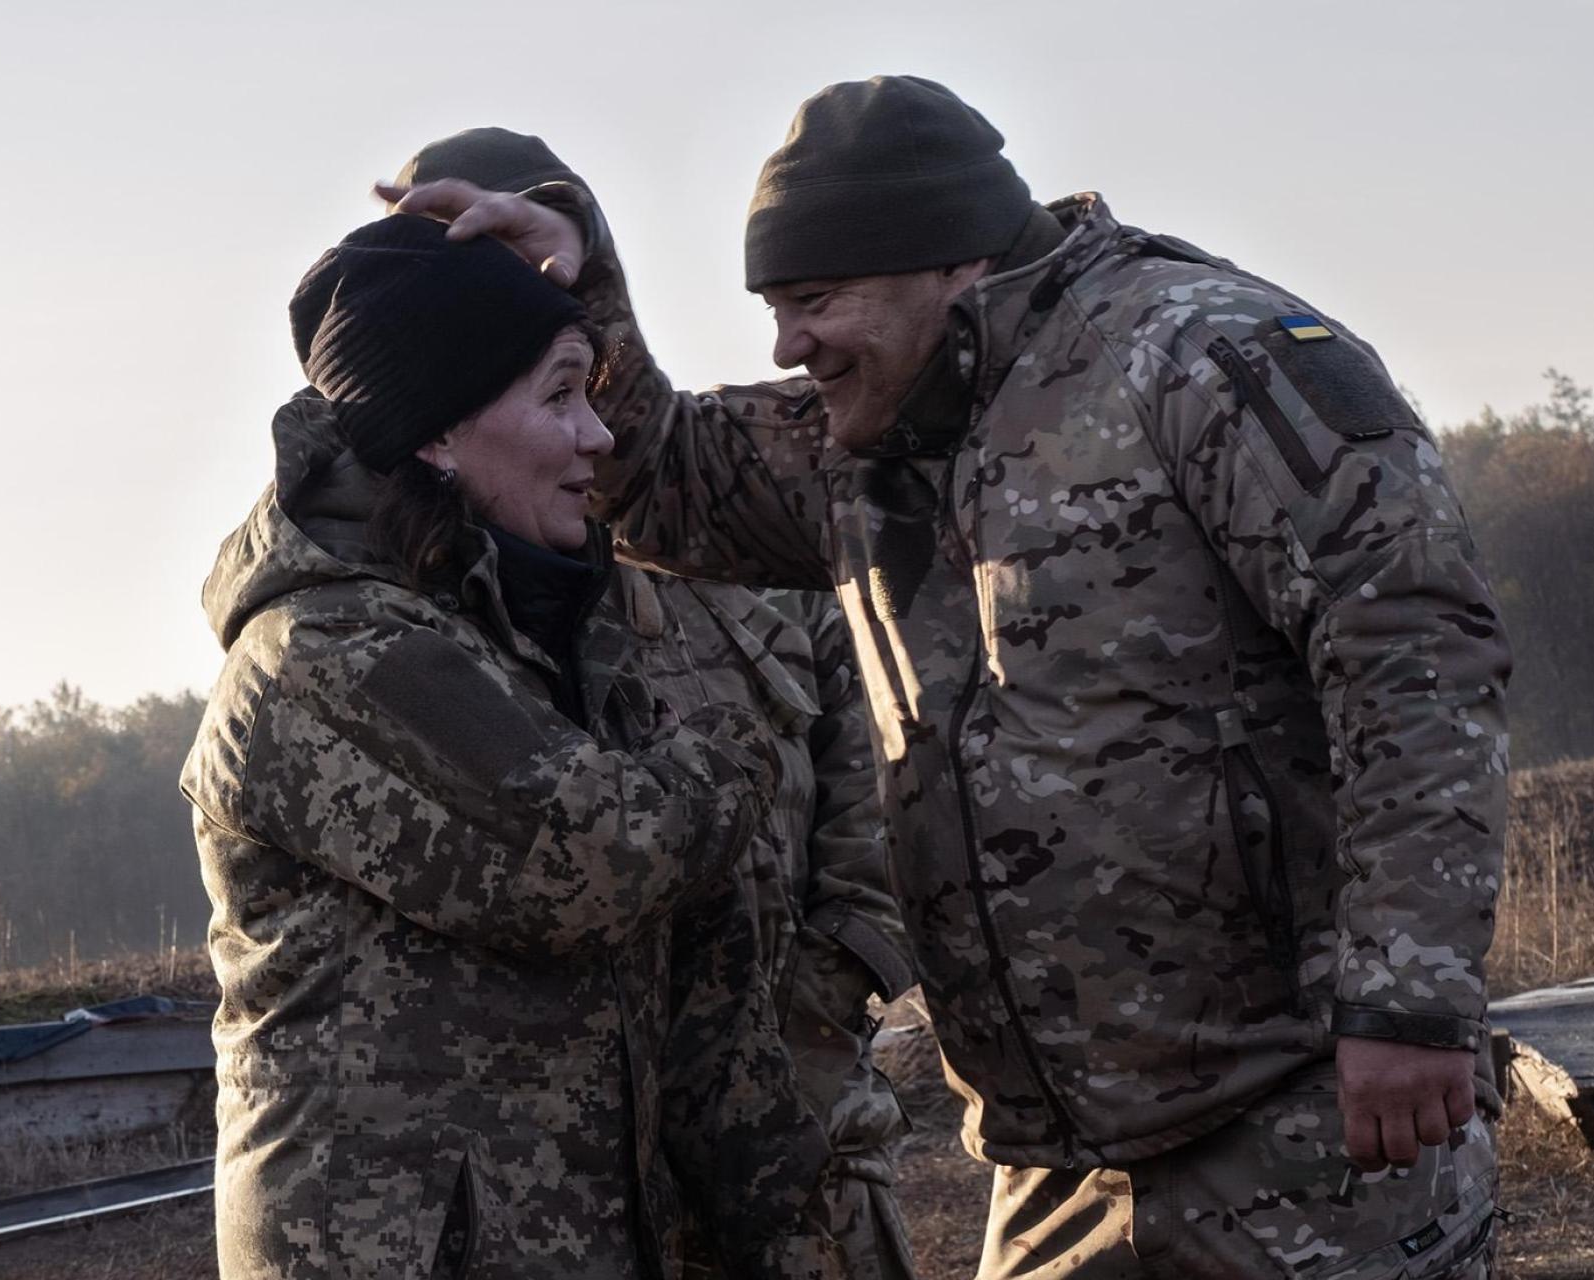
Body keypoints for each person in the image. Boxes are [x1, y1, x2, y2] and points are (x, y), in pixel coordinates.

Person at [384, 74, 1513, 1279]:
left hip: (1304, 1129)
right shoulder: (857, 435)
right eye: (773, 306)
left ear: (948, 266)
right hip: (1054, 1165)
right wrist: (582, 273)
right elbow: (658, 478)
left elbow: (1414, 653)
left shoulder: (1201, 357)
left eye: (815, 301)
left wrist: (1407, 999)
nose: (786, 343)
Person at [180, 212, 837, 1279]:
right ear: (437, 432)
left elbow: (690, 997)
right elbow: (592, 859)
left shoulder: (528, 625)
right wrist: (735, 739)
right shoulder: (328, 652)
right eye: (561, 395)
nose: (600, 437)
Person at [393, 128, 921, 1280]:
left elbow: (880, 780)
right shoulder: (408, 608)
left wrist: (817, 1010)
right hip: (594, 1188)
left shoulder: (717, 520)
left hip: (809, 1147)